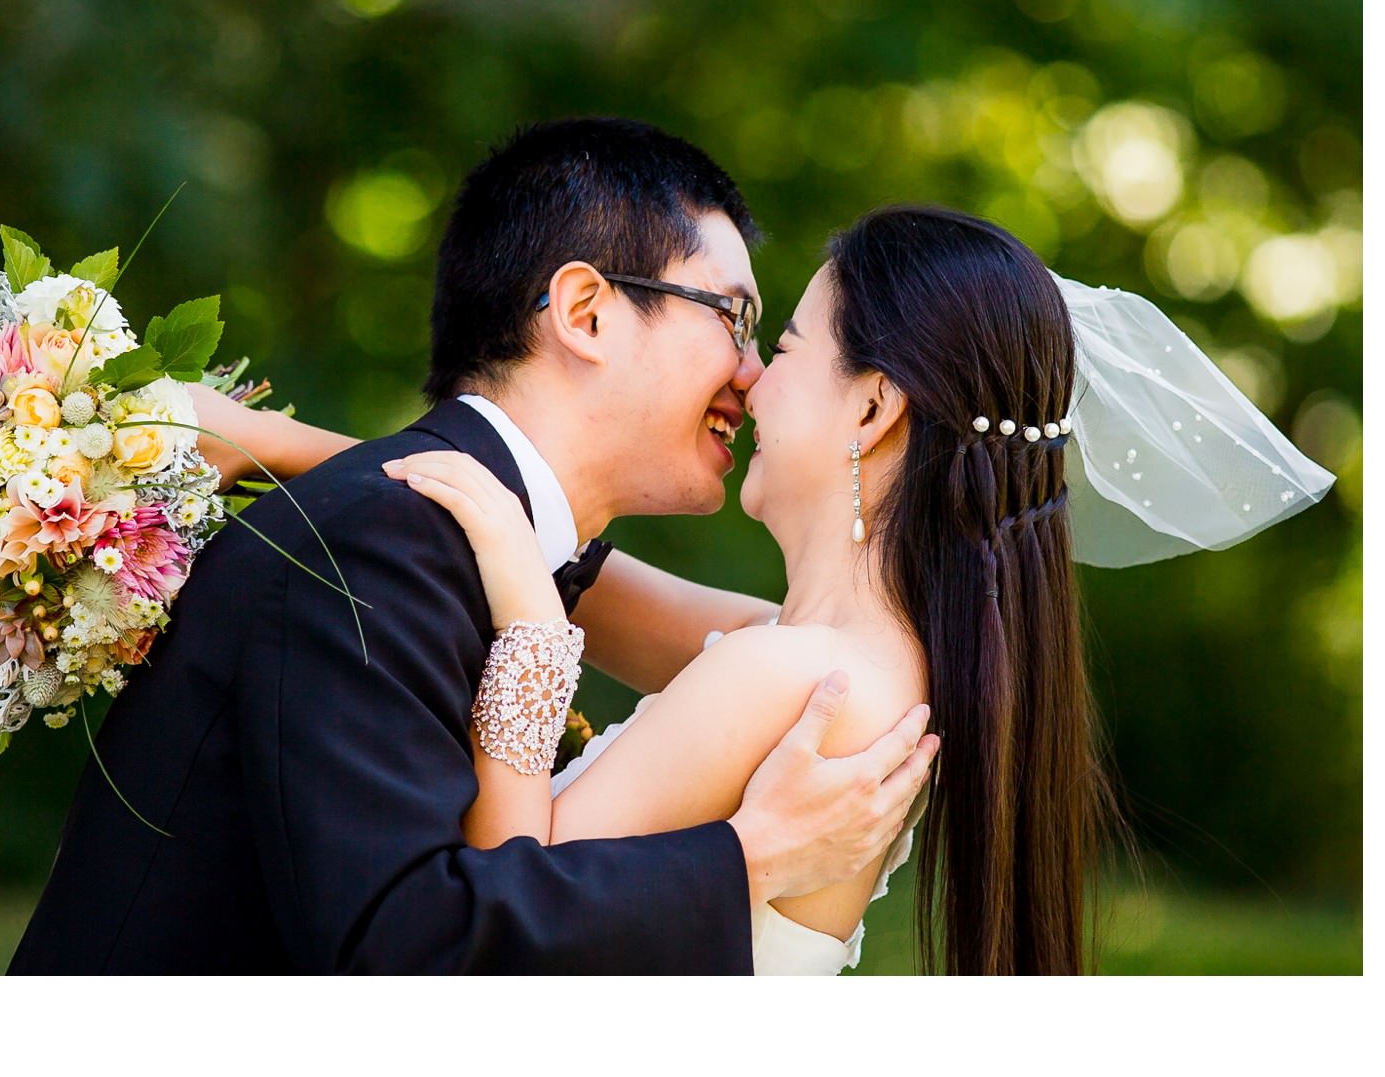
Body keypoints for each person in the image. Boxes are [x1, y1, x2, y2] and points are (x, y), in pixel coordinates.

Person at [7, 117, 938, 975]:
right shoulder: (377, 535)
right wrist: (749, 857)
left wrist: (291, 445)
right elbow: (409, 946)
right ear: (586, 314)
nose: (749, 370)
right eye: (733, 316)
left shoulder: (438, 528)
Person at [383, 202, 1334, 975]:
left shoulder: (794, 677)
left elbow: (500, 911)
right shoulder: (865, 663)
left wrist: (532, 629)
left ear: (873, 406)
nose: (749, 380)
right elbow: (563, 556)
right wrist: (290, 454)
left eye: (787, 347)